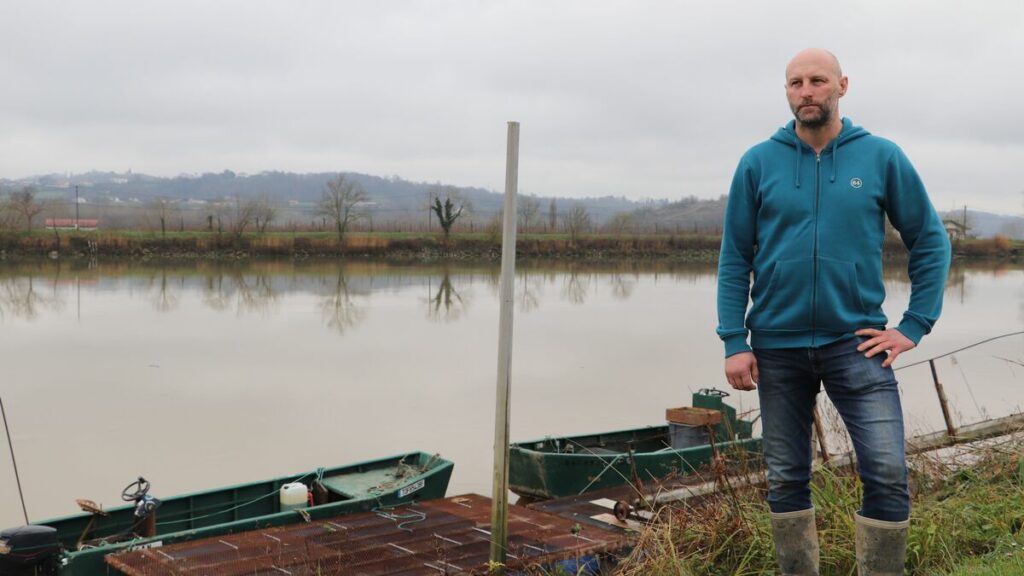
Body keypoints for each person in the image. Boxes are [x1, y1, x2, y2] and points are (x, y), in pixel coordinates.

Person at [716, 48, 951, 575]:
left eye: (817, 80)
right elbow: (735, 258)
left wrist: (914, 325)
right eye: (795, 82)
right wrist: (734, 340)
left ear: (842, 86)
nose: (806, 91)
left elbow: (931, 243)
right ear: (787, 92)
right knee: (785, 478)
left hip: (857, 343)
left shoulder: (881, 157)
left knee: (888, 471)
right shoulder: (758, 162)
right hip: (776, 347)